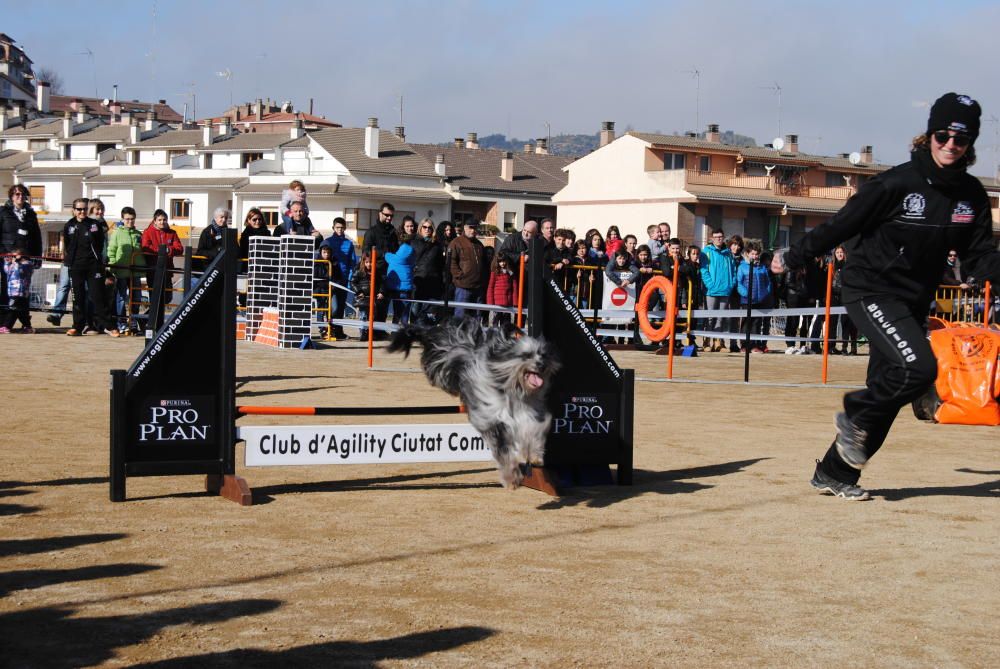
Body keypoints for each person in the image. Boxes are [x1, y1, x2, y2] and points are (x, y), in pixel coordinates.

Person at [783, 92, 1000, 501]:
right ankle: (854, 412)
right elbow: (842, 224)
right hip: (870, 289)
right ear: (928, 135)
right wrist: (793, 256)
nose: (951, 145)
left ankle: (835, 473)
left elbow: (980, 257)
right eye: (943, 135)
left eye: (962, 138)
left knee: (889, 387)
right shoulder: (896, 183)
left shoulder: (971, 196)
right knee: (918, 369)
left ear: (971, 144)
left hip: (913, 299)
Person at [63, 198, 118, 337]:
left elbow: (100, 244)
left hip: (93, 266)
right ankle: (77, 326)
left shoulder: (94, 224)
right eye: (79, 209)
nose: (82, 212)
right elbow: (67, 245)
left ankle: (110, 326)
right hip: (76, 266)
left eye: (84, 209)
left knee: (98, 296)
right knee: (78, 298)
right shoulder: (69, 225)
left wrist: (98, 260)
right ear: (74, 211)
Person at [0, 184, 42, 318]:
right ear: (11, 196)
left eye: (23, 194)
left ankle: (24, 320)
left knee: (24, 289)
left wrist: (37, 257)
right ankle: (4, 320)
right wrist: (4, 253)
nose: (20, 197)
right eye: (17, 194)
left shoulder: (30, 214)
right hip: (7, 257)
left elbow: (36, 237)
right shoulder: (3, 212)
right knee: (6, 288)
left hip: (25, 257)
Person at [140, 208, 184, 328]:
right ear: (154, 221)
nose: (162, 222)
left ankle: (147, 319)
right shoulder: (147, 232)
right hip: (153, 270)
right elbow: (145, 247)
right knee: (155, 298)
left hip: (167, 270)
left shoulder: (172, 233)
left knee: (167, 297)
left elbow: (180, 248)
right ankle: (151, 323)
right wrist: (161, 250)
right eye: (159, 220)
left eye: (164, 220)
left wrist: (168, 250)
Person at [107, 206, 145, 333]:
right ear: (122, 219)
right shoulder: (117, 233)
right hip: (121, 271)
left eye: (132, 219)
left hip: (136, 272)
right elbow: (111, 250)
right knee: (121, 297)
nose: (130, 221)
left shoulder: (138, 234)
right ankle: (121, 322)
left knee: (136, 297)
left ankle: (133, 321)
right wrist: (112, 267)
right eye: (127, 219)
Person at [361, 202, 399, 325]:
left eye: (391, 216)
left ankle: (380, 331)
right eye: (386, 215)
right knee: (374, 305)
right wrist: (383, 254)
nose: (389, 218)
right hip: (375, 274)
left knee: (384, 305)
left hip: (390, 273)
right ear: (380, 213)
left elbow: (396, 250)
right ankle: (370, 331)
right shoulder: (371, 232)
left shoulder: (393, 233)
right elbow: (366, 252)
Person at [319, 217, 357, 338]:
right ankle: (326, 329)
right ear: (333, 228)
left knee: (340, 307)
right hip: (330, 280)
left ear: (345, 228)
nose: (340, 230)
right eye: (337, 227)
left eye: (342, 227)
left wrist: (350, 278)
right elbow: (320, 259)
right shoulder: (328, 241)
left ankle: (338, 331)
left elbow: (352, 262)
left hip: (344, 280)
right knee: (331, 307)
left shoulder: (349, 243)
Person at [700, 228, 735, 352]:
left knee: (721, 317)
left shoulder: (728, 253)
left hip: (725, 290)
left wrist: (731, 284)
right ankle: (707, 341)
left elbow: (733, 269)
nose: (718, 239)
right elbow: (703, 270)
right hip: (711, 290)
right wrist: (710, 285)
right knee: (710, 317)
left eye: (720, 236)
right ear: (711, 238)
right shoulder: (706, 251)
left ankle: (718, 341)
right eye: (716, 237)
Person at [736, 241, 773, 352]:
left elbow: (768, 283)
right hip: (746, 300)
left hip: (759, 300)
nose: (755, 256)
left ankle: (754, 345)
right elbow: (739, 283)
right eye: (753, 253)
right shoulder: (742, 267)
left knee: (756, 323)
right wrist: (746, 293)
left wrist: (764, 293)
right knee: (746, 323)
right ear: (747, 253)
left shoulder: (762, 267)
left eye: (757, 254)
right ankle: (744, 345)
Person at [448, 220, 486, 319]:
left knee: (476, 319)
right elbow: (451, 262)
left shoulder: (479, 244)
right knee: (460, 318)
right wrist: (460, 276)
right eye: (471, 227)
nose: (473, 230)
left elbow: (484, 263)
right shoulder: (456, 242)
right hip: (463, 287)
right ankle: (458, 335)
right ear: (464, 227)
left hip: (478, 287)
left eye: (475, 228)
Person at [409, 218, 443, 324]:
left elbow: (441, 264)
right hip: (418, 281)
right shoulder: (413, 242)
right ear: (420, 228)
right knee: (415, 308)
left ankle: (426, 333)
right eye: (425, 227)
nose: (427, 229)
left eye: (430, 227)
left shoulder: (437, 245)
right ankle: (413, 332)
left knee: (429, 312)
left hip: (433, 281)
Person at [384, 225, 415, 326]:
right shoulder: (406, 249)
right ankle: (398, 333)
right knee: (400, 314)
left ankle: (399, 334)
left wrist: (386, 254)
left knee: (401, 315)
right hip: (403, 287)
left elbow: (394, 259)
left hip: (402, 288)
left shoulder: (405, 248)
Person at [349, 252, 383, 341]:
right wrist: (358, 291)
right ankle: (363, 333)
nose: (369, 264)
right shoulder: (359, 272)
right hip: (362, 299)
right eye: (367, 262)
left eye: (371, 262)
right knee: (363, 316)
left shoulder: (377, 273)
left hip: (373, 299)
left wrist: (381, 292)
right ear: (363, 262)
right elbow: (352, 282)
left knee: (372, 317)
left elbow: (381, 284)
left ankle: (369, 333)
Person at [0, 248, 34, 333]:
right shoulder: (13, 264)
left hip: (20, 291)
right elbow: (7, 271)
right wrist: (7, 261)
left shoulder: (27, 264)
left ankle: (7, 326)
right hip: (12, 291)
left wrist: (16, 261)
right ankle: (28, 327)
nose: (13, 257)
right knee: (20, 311)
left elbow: (19, 271)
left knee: (13, 309)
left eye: (15, 256)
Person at [237, 207, 273, 275]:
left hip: (265, 266)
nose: (257, 221)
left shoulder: (267, 233)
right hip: (248, 267)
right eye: (254, 219)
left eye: (260, 219)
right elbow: (244, 251)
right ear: (249, 220)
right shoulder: (245, 234)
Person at [195, 207, 232, 271]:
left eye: (226, 218)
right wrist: (216, 252)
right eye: (222, 217)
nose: (224, 220)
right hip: (209, 268)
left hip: (225, 268)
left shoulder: (229, 232)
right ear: (215, 218)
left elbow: (236, 249)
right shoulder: (207, 232)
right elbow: (200, 251)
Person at [486, 253, 518, 326]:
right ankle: (495, 337)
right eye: (500, 261)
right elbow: (490, 287)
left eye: (504, 261)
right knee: (495, 323)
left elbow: (514, 287)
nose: (502, 263)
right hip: (497, 304)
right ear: (497, 262)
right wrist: (490, 303)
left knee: (506, 324)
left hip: (508, 303)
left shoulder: (510, 272)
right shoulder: (494, 273)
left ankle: (505, 337)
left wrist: (515, 302)